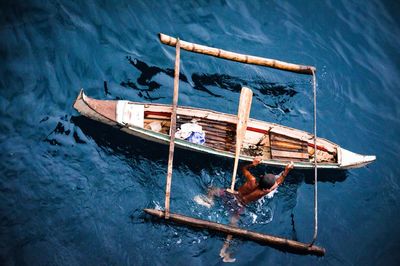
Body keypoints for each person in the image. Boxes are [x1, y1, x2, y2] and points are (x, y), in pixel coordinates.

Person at [194, 156, 294, 262]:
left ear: (261, 177)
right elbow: (278, 182)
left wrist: (253, 164)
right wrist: (286, 171)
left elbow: (244, 169)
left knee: (212, 190)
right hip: (239, 206)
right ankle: (223, 250)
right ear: (267, 188)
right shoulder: (265, 191)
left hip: (231, 196)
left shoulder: (252, 179)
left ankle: (209, 202)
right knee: (232, 227)